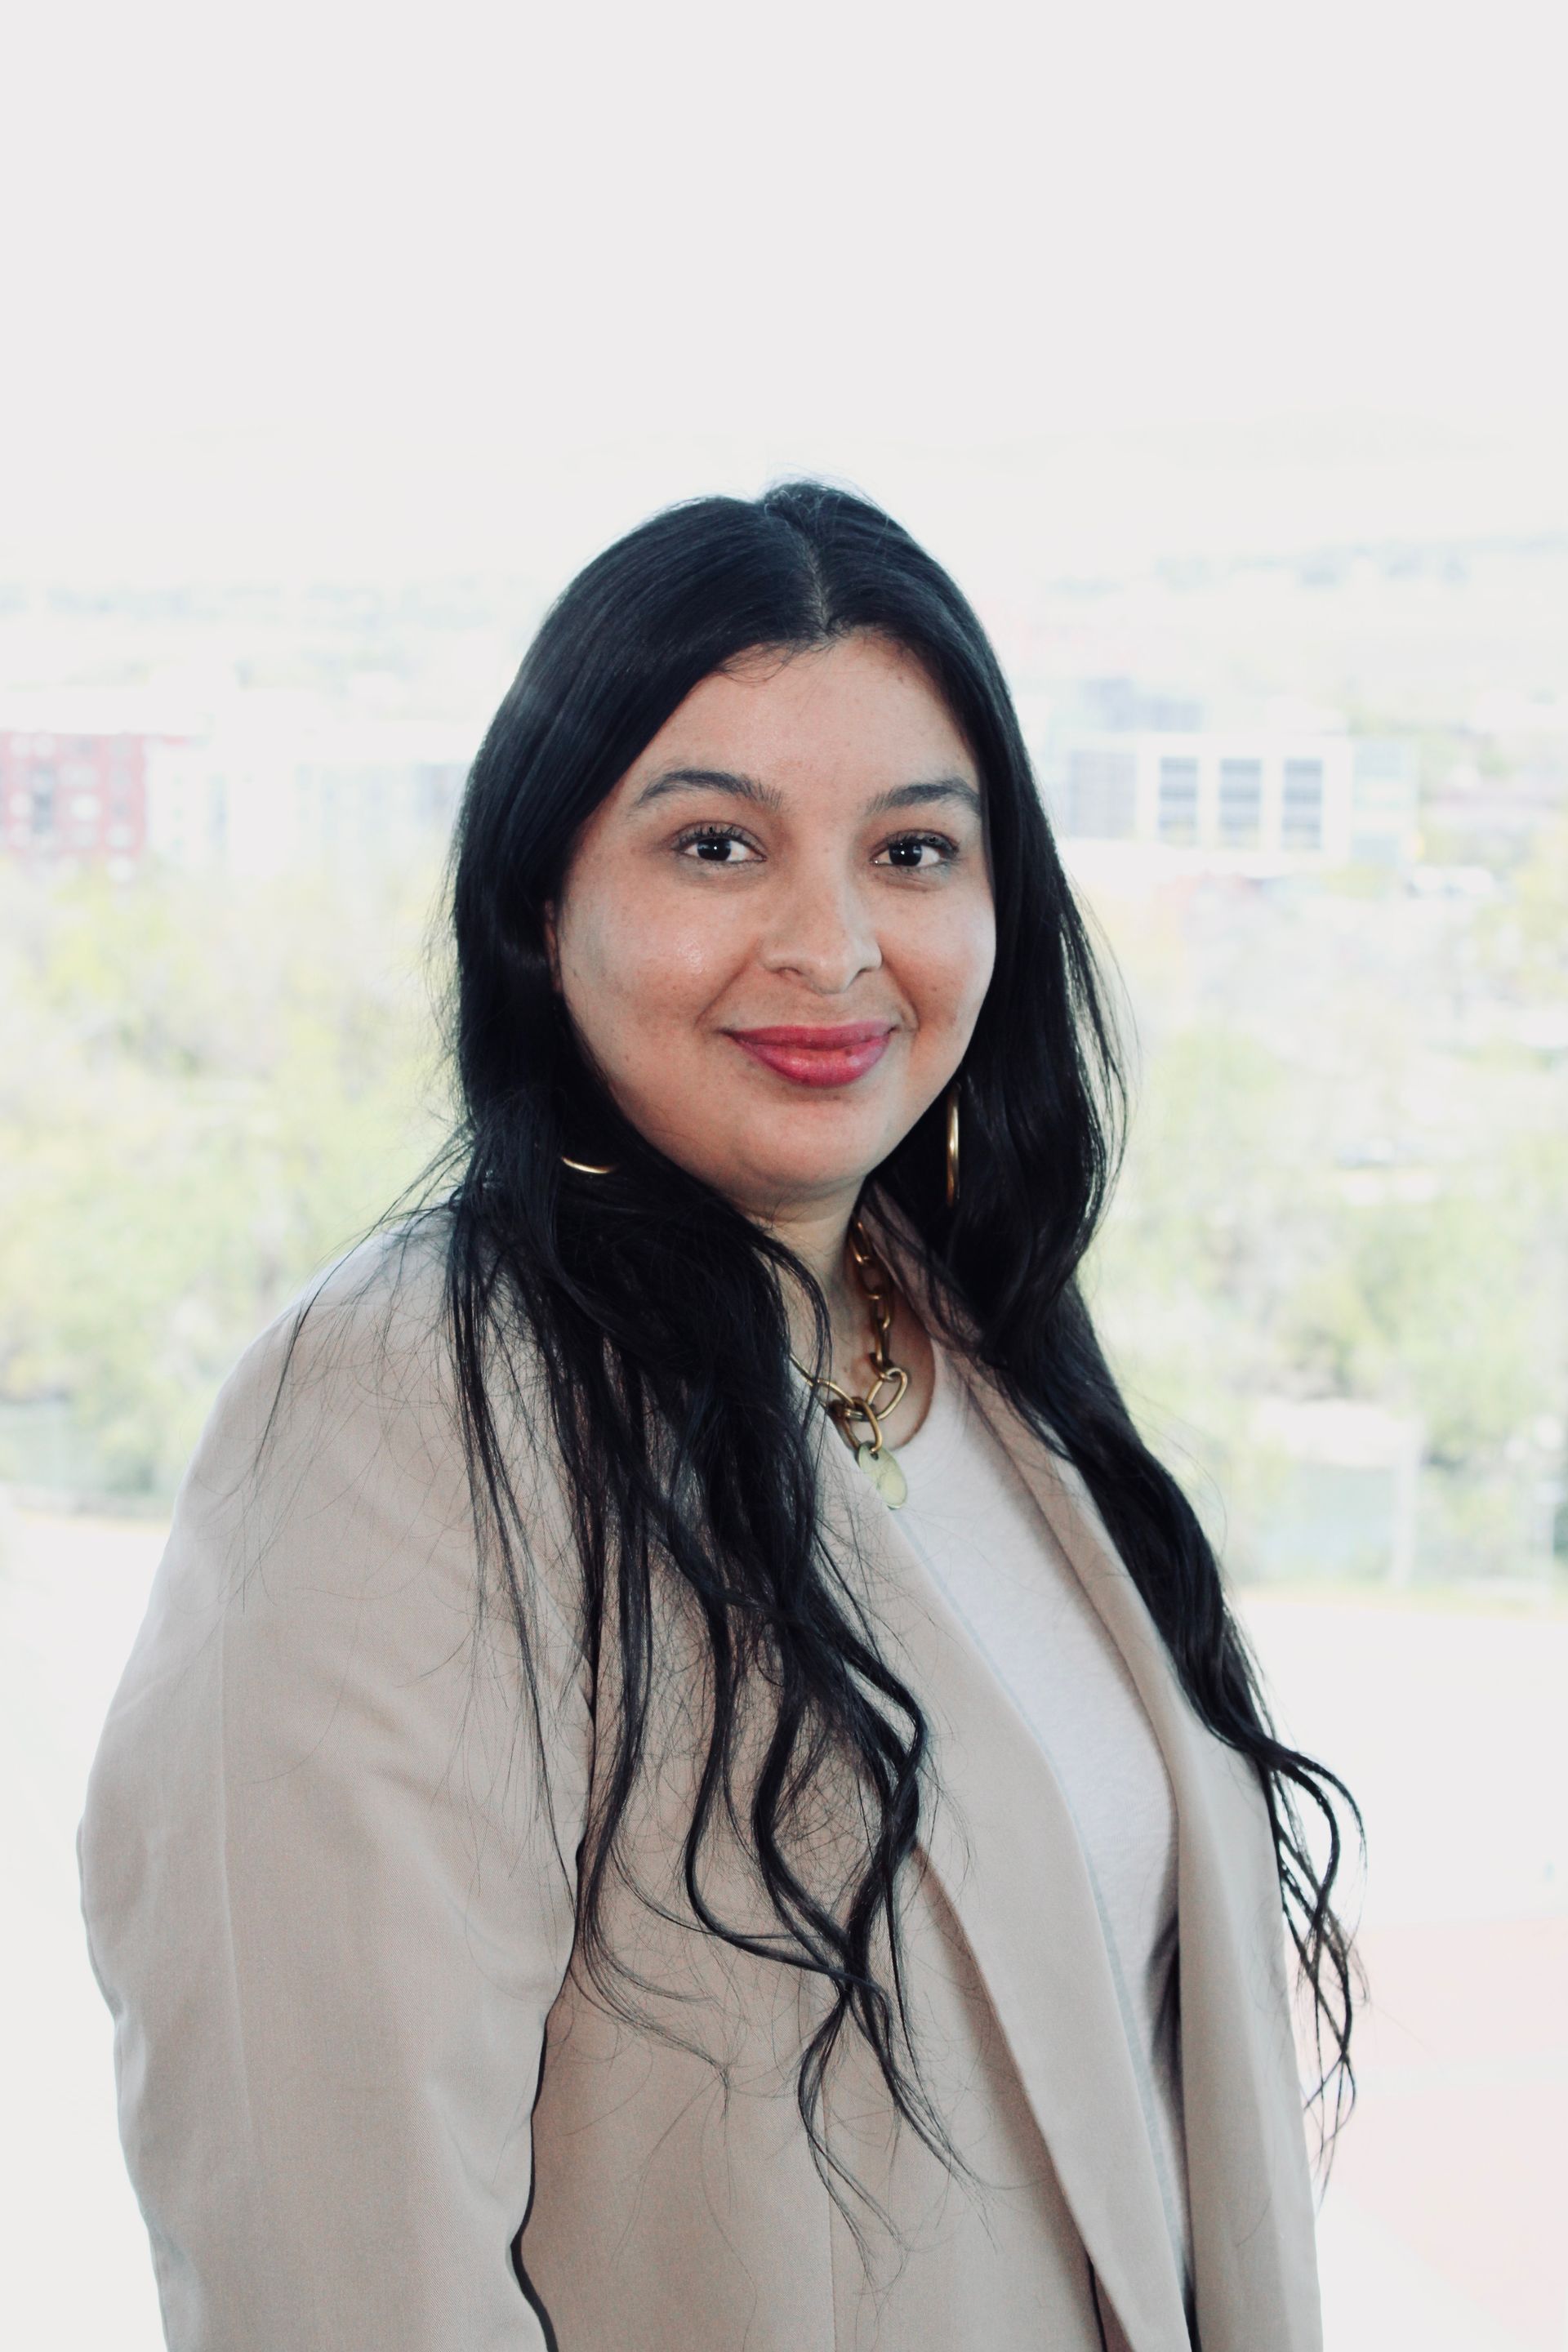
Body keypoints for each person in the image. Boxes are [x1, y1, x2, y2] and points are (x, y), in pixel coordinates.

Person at [79, 482, 1356, 2352]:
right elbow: (330, 2260)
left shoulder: (976, 1350)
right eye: (716, 848)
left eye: (913, 853)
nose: (834, 948)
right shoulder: (410, 1404)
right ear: (542, 896)